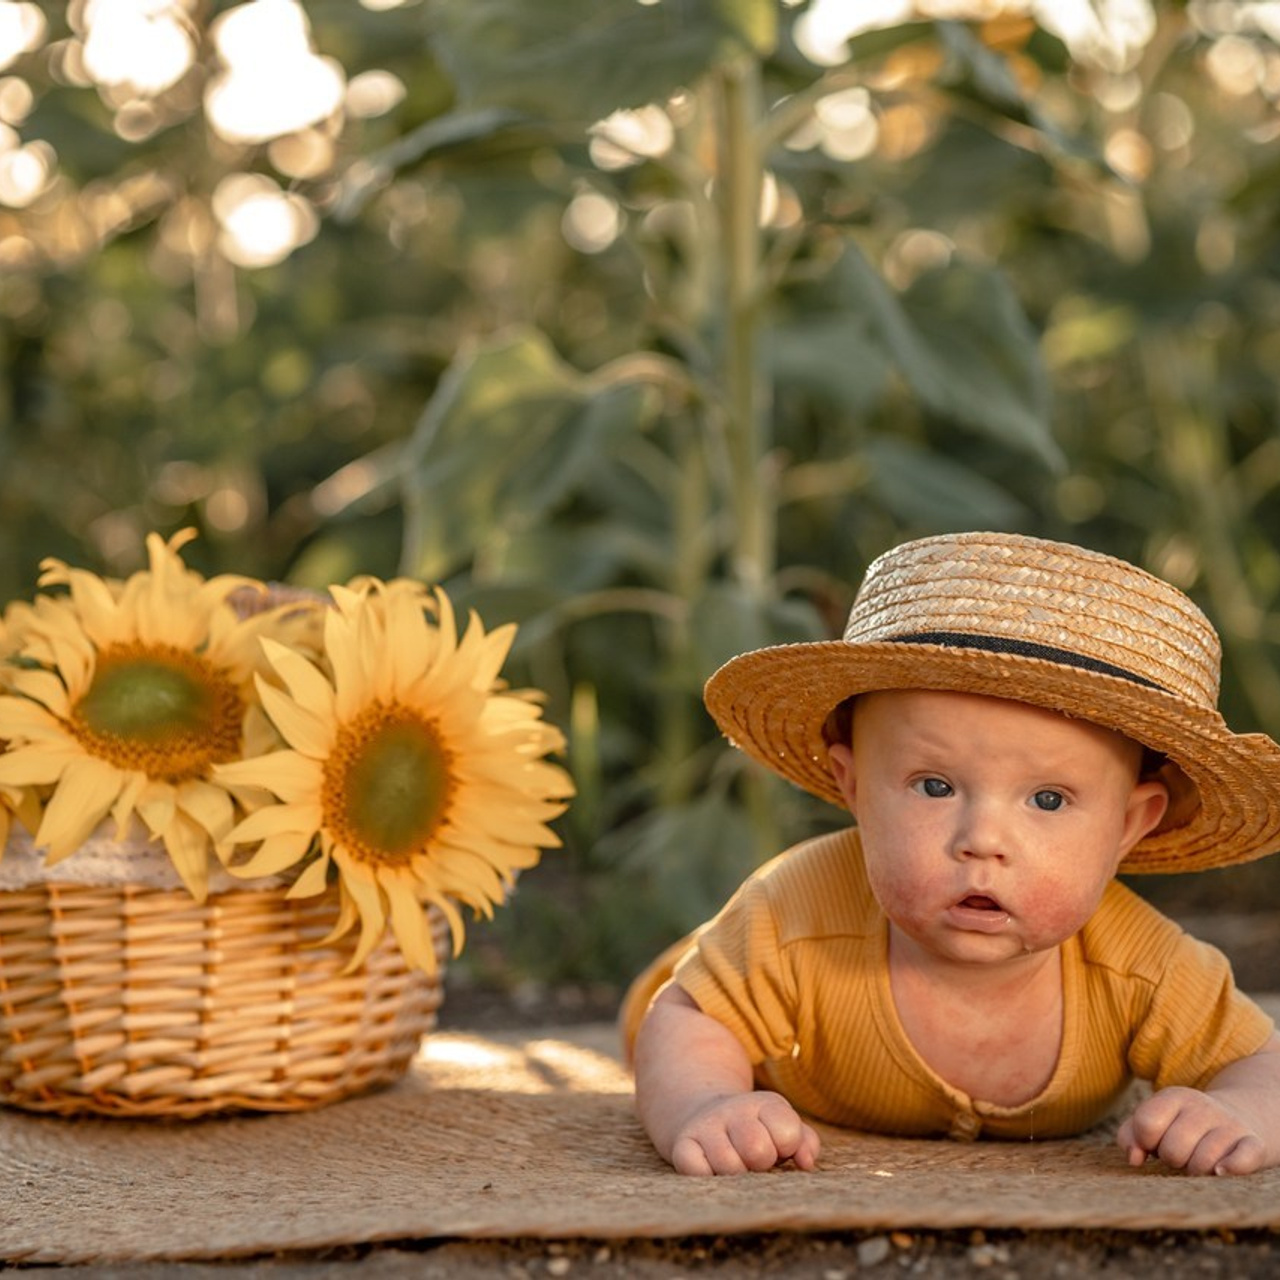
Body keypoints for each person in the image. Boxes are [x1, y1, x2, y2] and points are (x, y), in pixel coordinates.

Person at [623, 531, 1280, 1178]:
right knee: (677, 1012)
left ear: (1129, 825)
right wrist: (708, 1103)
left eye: (1048, 801)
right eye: (935, 787)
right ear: (854, 789)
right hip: (733, 1022)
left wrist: (1239, 1111)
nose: (982, 840)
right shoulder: (792, 915)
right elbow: (689, 1017)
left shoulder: (1142, 965)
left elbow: (1262, 1064)